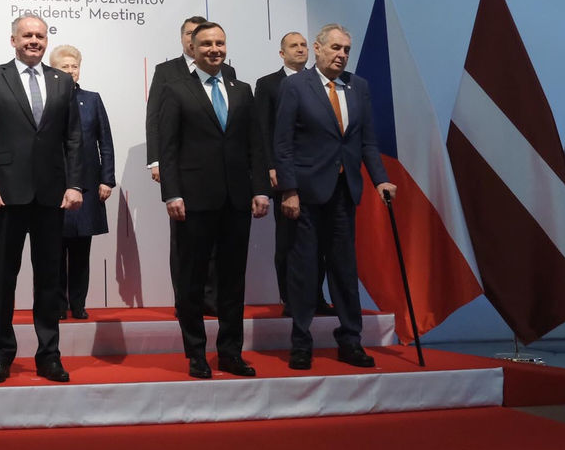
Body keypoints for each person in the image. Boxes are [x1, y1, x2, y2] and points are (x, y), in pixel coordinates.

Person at [273, 23, 396, 370]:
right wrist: (289, 190)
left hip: (344, 193)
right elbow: (282, 143)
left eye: (346, 50)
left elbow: (367, 140)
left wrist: (380, 180)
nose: (341, 55)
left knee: (344, 269)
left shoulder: (359, 88)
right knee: (305, 270)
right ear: (317, 48)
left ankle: (350, 341)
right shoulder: (295, 86)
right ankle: (301, 342)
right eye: (335, 48)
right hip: (306, 194)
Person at [0, 14, 84, 384]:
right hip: (4, 195)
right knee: (3, 277)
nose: (34, 40)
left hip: (51, 196)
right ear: (13, 39)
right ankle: (1, 355)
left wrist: (75, 184)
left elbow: (73, 140)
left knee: (49, 280)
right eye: (27, 35)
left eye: (40, 35)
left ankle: (49, 355)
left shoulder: (62, 81)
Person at [159, 22, 270, 378]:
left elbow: (256, 145)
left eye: (220, 42)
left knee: (233, 280)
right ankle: (196, 354)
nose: (214, 49)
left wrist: (260, 189)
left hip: (236, 200)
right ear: (192, 47)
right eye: (206, 43)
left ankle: (230, 353)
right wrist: (172, 192)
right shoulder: (176, 90)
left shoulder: (242, 90)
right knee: (192, 281)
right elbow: (169, 148)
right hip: (193, 200)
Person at [146, 16, 233, 316]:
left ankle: (213, 298)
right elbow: (155, 118)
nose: (198, 39)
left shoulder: (227, 72)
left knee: (218, 244)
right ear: (186, 40)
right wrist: (156, 160)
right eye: (190, 34)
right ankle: (185, 298)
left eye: (214, 40)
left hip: (219, 175)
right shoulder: (166, 71)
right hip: (181, 170)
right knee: (184, 242)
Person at [253, 31, 332, 317]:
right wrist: (271, 166)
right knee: (288, 240)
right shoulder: (268, 84)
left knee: (321, 241)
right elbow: (263, 129)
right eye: (293, 46)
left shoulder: (321, 82)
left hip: (317, 173)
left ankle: (317, 298)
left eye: (303, 45)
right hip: (285, 175)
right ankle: (289, 298)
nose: (300, 49)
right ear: (281, 53)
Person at [48, 44, 114, 320]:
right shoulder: (47, 100)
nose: (71, 71)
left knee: (81, 250)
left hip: (87, 185)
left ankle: (78, 303)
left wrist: (107, 179)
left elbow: (105, 143)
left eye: (74, 66)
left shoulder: (92, 99)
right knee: (53, 249)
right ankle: (58, 304)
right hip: (53, 186)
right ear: (54, 70)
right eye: (65, 66)